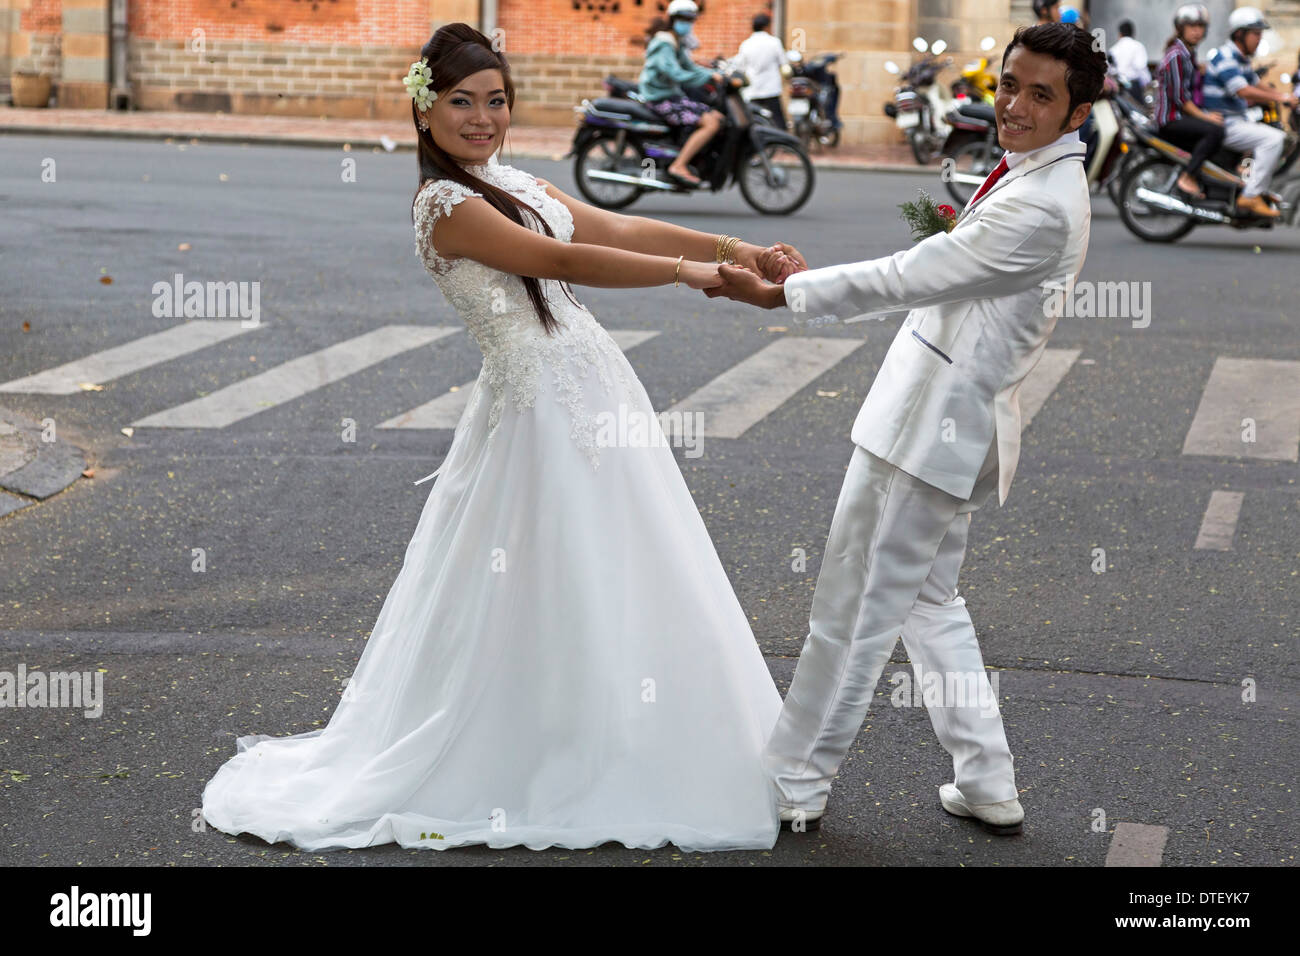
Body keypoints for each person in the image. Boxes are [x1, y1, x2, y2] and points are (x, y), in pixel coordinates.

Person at [200, 22, 802, 854]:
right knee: (552, 573)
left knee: (627, 562)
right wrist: (689, 275)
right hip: (536, 415)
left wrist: (735, 248)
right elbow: (567, 264)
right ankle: (558, 752)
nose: (482, 118)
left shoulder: (506, 178)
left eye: (496, 101)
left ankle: (634, 730)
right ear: (424, 112)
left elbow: (613, 230)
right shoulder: (444, 206)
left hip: (591, 391)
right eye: (460, 103)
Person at [703, 22, 1104, 836]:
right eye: (1009, 85)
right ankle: (987, 777)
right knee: (927, 601)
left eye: (1041, 95)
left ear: (1078, 111)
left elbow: (915, 274)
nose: (1016, 107)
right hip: (933, 424)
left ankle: (794, 782)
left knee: (854, 609)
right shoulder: (1035, 176)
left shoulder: (1045, 207)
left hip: (933, 431)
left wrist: (791, 294)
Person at [1203, 5, 1299, 218]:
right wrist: (1282, 97)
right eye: (1255, 34)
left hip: (1237, 119)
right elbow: (1244, 90)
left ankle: (1255, 188)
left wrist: (1289, 97)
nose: (1258, 39)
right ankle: (1251, 195)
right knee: (1273, 140)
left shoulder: (1241, 58)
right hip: (1225, 123)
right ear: (1240, 34)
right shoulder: (1226, 56)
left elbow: (1256, 84)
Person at [638, 1, 727, 186]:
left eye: (690, 19)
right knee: (710, 124)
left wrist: (714, 74)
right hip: (659, 98)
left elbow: (689, 66)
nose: (687, 23)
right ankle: (679, 165)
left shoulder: (675, 42)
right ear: (672, 19)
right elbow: (676, 73)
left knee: (717, 116)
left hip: (670, 95)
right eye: (683, 19)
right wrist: (709, 78)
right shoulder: (665, 43)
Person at [1154, 5, 1225, 200]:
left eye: (1200, 26)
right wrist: (1206, 117)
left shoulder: (1187, 54)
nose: (1197, 31)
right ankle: (1188, 176)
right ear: (1181, 28)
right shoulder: (1177, 55)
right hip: (1171, 120)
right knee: (1215, 130)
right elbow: (1180, 98)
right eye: (1192, 26)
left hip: (1180, 117)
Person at [734, 12, 788, 129]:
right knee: (778, 122)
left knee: (754, 122)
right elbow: (783, 63)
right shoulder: (774, 42)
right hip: (771, 88)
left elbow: (740, 66)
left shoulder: (746, 44)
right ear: (767, 26)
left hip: (753, 90)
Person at [1110, 19, 1151, 102]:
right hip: (1134, 88)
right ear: (1133, 33)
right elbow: (1141, 67)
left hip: (1118, 88)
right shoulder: (1138, 47)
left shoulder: (1113, 49)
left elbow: (1110, 70)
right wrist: (1146, 84)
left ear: (1120, 34)